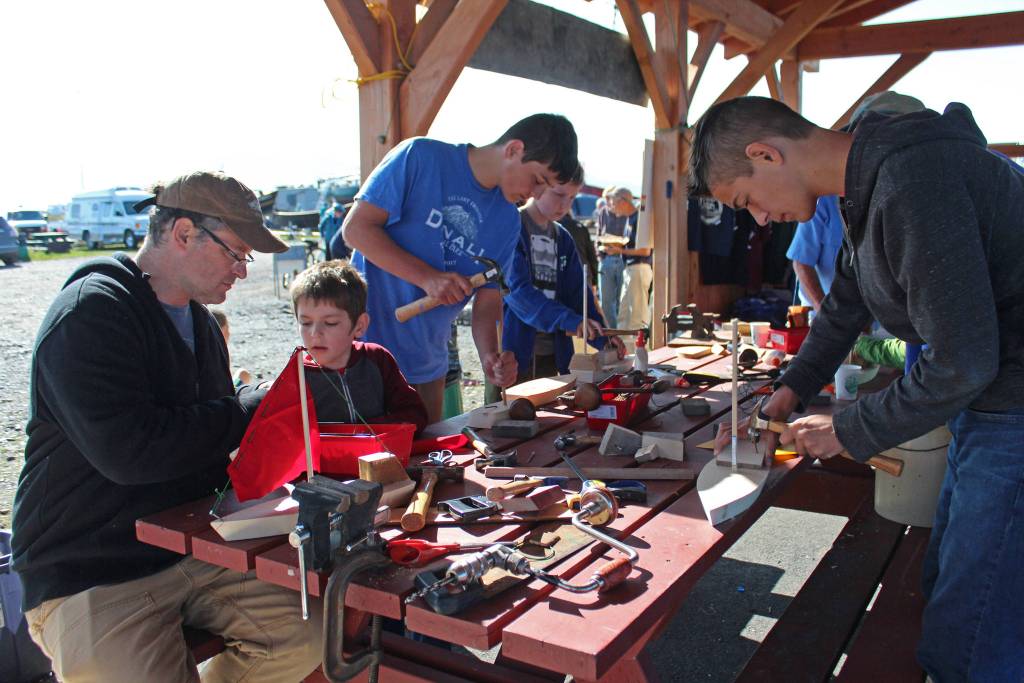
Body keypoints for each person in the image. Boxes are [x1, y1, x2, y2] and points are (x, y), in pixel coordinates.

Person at [692, 96, 1024, 682]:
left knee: (974, 628)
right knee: (945, 577)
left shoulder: (911, 177)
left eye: (748, 202)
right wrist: (789, 391)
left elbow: (961, 363)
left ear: (767, 154)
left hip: (1013, 407)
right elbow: (846, 305)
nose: (761, 221)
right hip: (993, 406)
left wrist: (849, 429)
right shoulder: (866, 180)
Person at [11, 171, 323, 683]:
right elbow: (131, 453)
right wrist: (250, 410)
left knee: (307, 634)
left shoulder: (200, 325)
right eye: (236, 253)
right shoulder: (90, 312)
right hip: (88, 569)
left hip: (186, 548)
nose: (242, 272)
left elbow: (207, 445)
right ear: (182, 234)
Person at [342, 113, 579, 424]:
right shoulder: (419, 157)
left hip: (428, 362)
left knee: (423, 462)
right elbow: (356, 229)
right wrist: (428, 278)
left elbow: (489, 298)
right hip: (364, 352)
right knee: (366, 463)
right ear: (514, 150)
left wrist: (489, 357)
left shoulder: (508, 222)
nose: (536, 193)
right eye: (537, 179)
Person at [485, 167, 624, 402]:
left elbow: (579, 296)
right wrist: (570, 320)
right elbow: (519, 295)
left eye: (571, 198)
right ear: (538, 185)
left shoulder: (563, 238)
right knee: (507, 423)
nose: (565, 205)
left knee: (550, 422)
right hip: (512, 356)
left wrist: (603, 337)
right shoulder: (511, 229)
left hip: (554, 356)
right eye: (559, 195)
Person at [291, 260, 428, 430]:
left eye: (330, 322)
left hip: (381, 455)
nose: (315, 332)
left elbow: (416, 414)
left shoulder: (377, 359)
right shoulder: (296, 376)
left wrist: (365, 432)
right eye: (305, 323)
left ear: (360, 325)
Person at [608, 188, 652, 332]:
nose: (612, 207)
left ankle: (638, 352)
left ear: (623, 201)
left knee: (636, 317)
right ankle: (626, 351)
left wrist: (620, 250)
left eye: (614, 203)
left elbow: (646, 250)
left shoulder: (639, 218)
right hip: (631, 269)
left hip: (638, 268)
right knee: (624, 316)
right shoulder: (630, 219)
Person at [594, 185, 627, 327]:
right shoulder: (602, 213)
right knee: (606, 302)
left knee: (622, 301)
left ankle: (621, 333)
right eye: (606, 198)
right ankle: (612, 335)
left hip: (622, 259)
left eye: (610, 198)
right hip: (606, 259)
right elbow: (599, 235)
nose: (608, 201)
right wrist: (600, 253)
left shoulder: (625, 213)